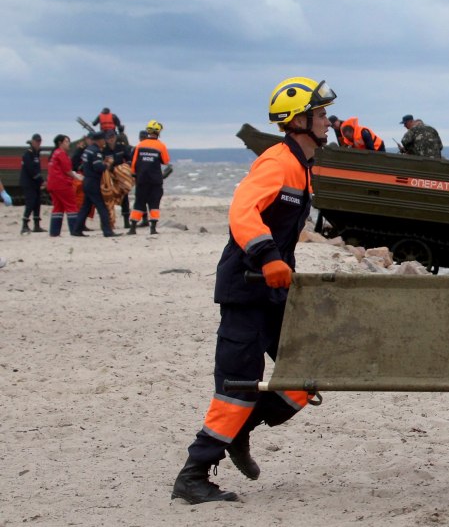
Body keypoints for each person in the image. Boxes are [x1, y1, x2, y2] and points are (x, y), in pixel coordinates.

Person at [171, 76, 336, 504]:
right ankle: (193, 475)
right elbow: (243, 211)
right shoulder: (276, 161)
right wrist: (267, 257)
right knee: (238, 386)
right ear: (298, 120)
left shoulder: (302, 166)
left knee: (309, 372)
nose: (327, 121)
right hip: (246, 289)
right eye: (320, 114)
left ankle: (240, 431)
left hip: (275, 292)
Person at [69, 131, 119, 238]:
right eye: (103, 140)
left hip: (87, 181)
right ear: (99, 140)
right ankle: (107, 231)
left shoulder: (87, 150)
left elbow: (84, 165)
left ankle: (76, 230)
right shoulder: (96, 152)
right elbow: (98, 167)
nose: (104, 142)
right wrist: (107, 165)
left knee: (85, 207)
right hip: (94, 182)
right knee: (102, 207)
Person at [129, 120, 170, 235]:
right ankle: (153, 229)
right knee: (154, 204)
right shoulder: (161, 146)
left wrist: (134, 175)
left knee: (138, 203)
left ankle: (133, 228)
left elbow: (134, 163)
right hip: (155, 180)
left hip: (141, 179)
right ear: (158, 132)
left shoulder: (140, 145)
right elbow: (166, 161)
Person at [46, 134, 82, 237]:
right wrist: (77, 176)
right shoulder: (61, 154)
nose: (68, 143)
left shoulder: (54, 154)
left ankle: (54, 232)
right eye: (66, 141)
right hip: (62, 184)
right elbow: (67, 171)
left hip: (52, 184)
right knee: (71, 206)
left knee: (58, 208)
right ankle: (74, 230)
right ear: (60, 143)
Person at [20, 133, 45, 233]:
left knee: (37, 203)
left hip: (35, 183)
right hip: (29, 182)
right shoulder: (28, 153)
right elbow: (31, 170)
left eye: (39, 141)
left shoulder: (36, 153)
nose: (38, 143)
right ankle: (24, 224)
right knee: (30, 202)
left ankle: (36, 225)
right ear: (33, 141)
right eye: (37, 141)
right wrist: (41, 181)